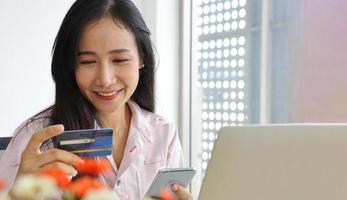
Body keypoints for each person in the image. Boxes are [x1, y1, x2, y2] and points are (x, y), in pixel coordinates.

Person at [0, 0, 192, 199]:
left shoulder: (163, 133)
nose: (105, 79)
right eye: (88, 62)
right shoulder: (36, 140)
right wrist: (16, 195)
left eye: (119, 60)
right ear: (70, 65)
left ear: (142, 58)